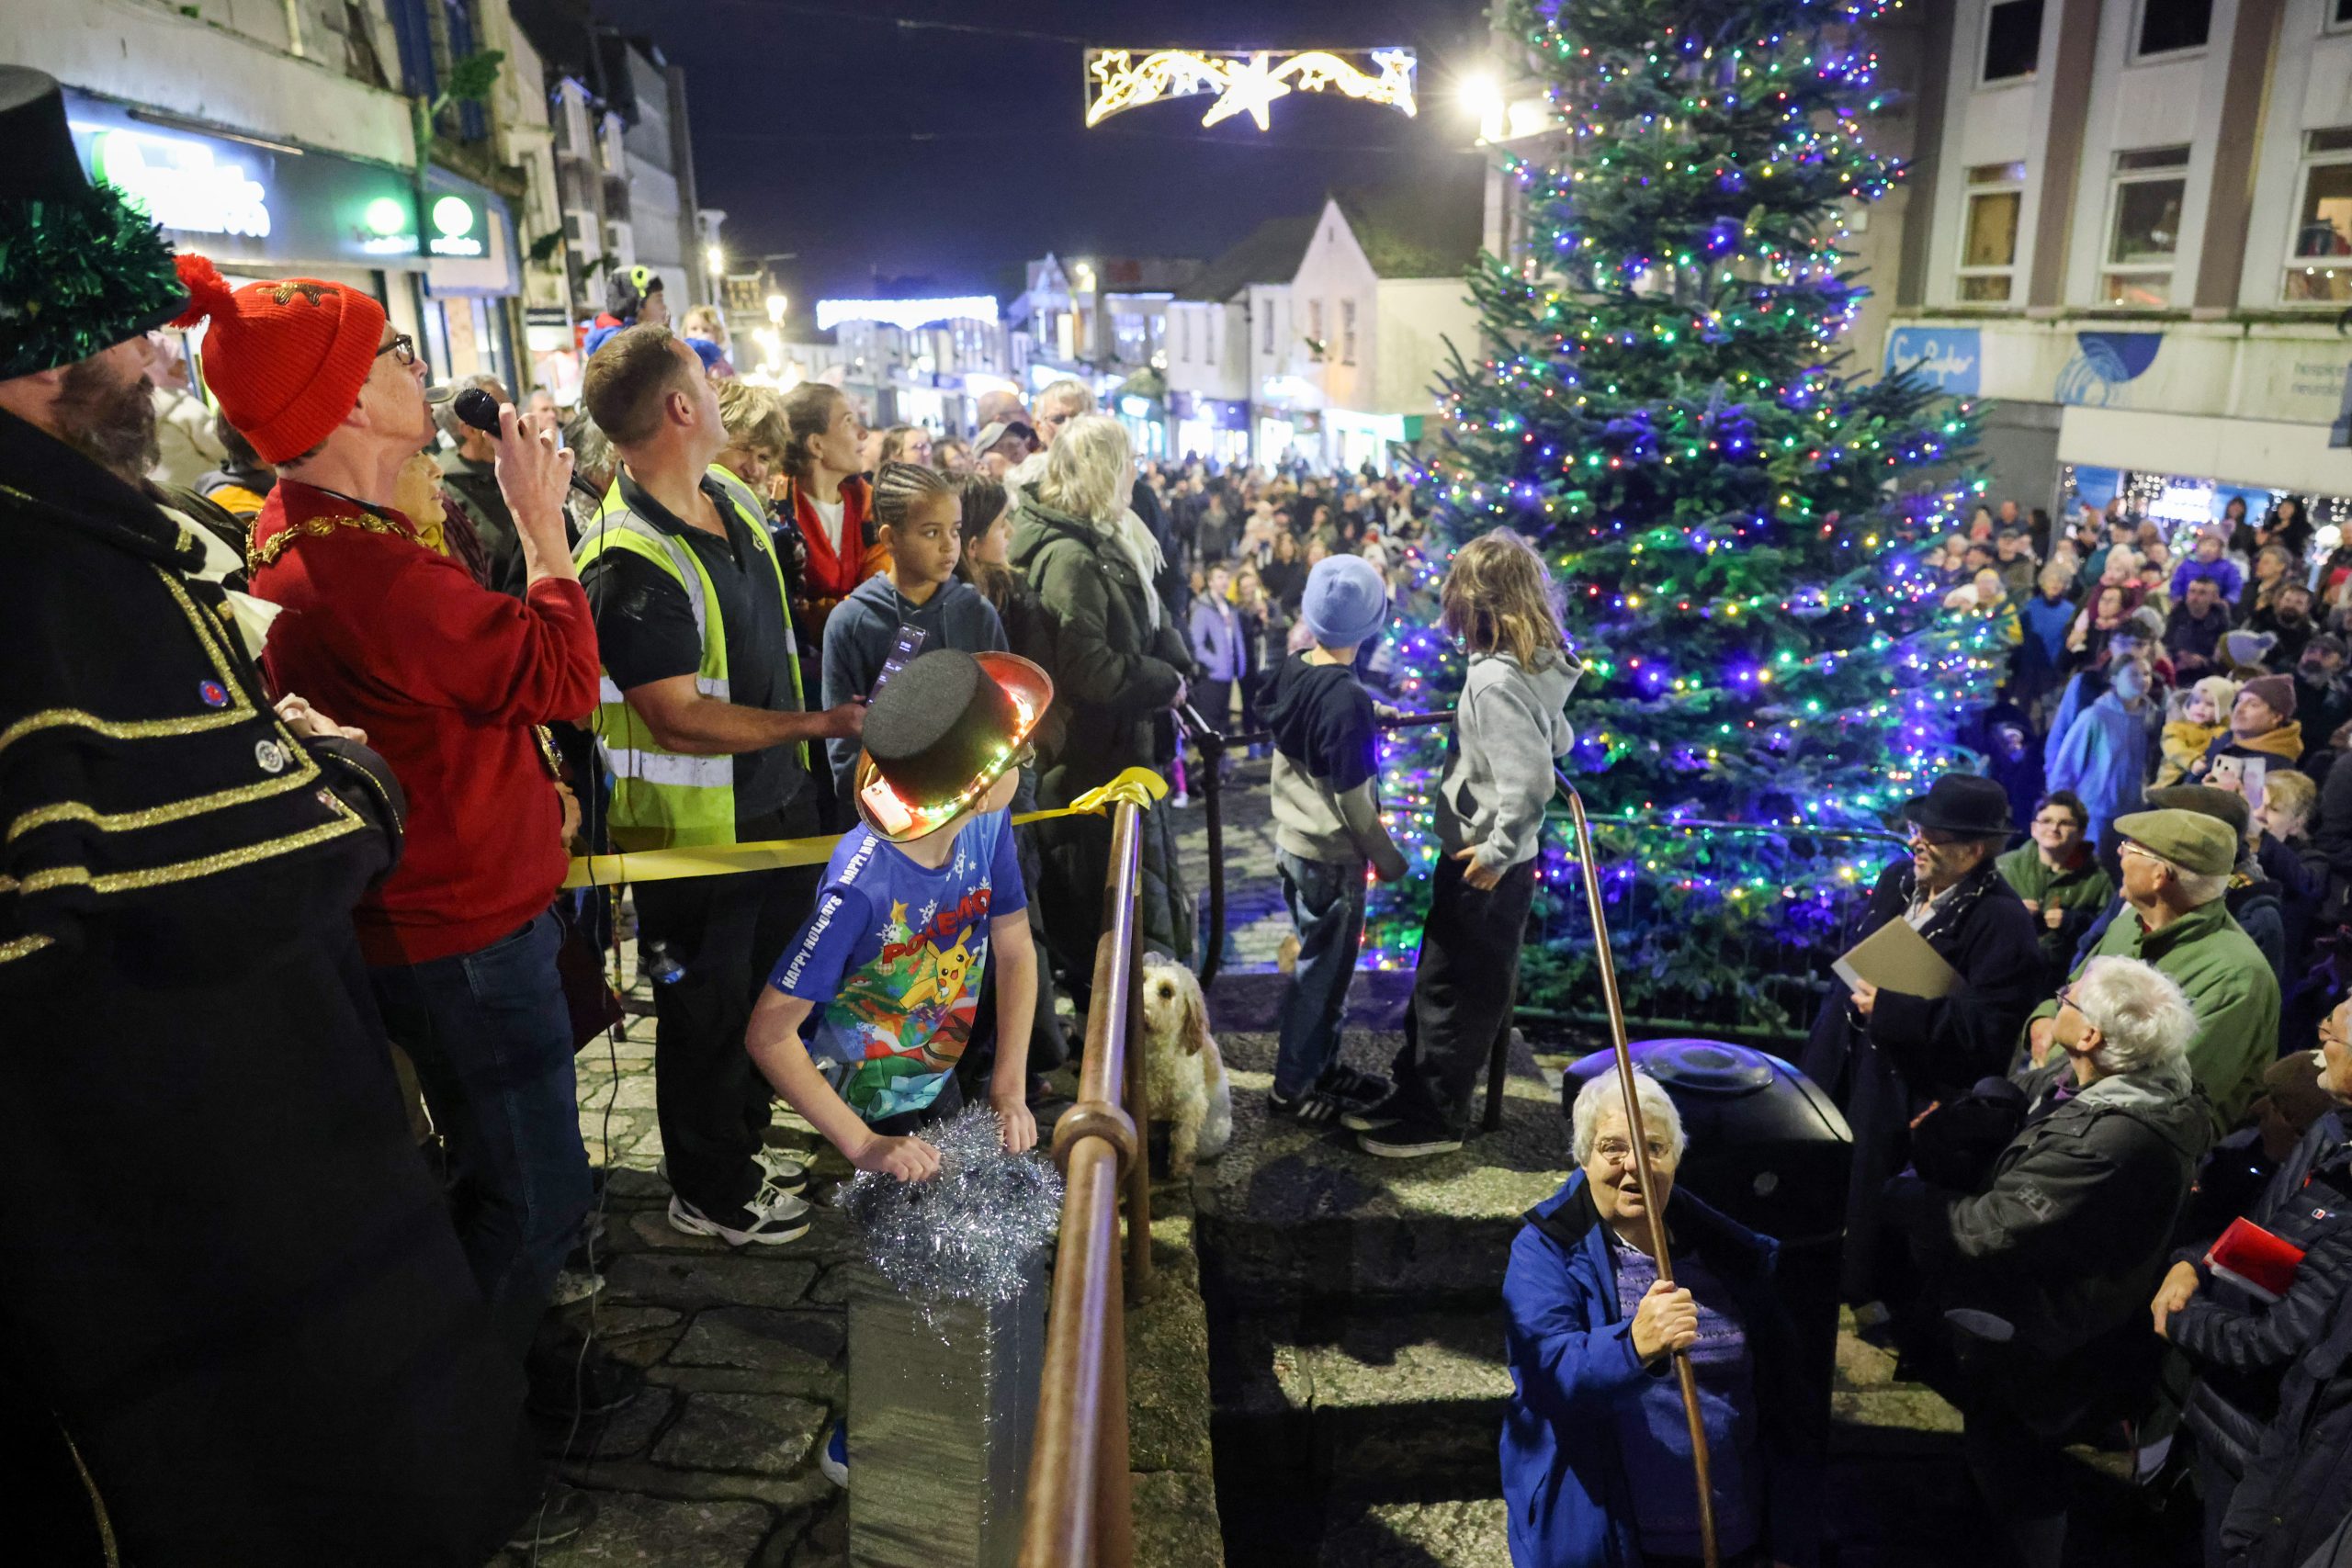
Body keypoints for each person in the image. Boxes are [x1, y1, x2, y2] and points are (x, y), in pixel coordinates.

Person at [0, 66, 551, 1557]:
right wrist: (342, 776)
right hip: (208, 1213)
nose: (153, 364)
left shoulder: (99, 535)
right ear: (30, 343)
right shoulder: (57, 569)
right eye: (119, 335)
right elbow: (233, 869)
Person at [174, 252, 629, 1417]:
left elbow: (458, 703)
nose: (417, 364)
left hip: (459, 905)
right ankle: (460, 1421)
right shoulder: (368, 571)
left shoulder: (331, 526)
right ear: (338, 405)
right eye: (389, 352)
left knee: (502, 1172)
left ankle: (506, 1378)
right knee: (533, 1192)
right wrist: (539, 523)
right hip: (462, 931)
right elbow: (566, 675)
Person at [575, 325, 864, 1247]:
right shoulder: (625, 558)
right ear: (677, 406)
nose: (719, 382)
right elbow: (676, 714)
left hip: (772, 808)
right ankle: (706, 1187)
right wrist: (817, 726)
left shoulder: (728, 495)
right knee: (703, 1016)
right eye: (705, 374)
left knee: (764, 1000)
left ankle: (739, 1145)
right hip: (691, 840)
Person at [747, 649, 1047, 1489]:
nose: (1025, 766)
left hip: (938, 1073)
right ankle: (867, 1432)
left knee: (945, 1250)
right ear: (971, 781)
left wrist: (1009, 1083)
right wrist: (863, 1145)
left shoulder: (986, 828)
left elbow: (1016, 946)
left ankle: (935, 1397)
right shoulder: (859, 882)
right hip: (871, 1103)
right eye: (1013, 760)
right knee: (896, 1271)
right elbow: (771, 1034)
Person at [1884, 956, 2209, 1568]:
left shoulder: (2117, 1136)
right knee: (1994, 1453)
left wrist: (1898, 1195)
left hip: (2047, 1337)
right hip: (2028, 1324)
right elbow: (2031, 1104)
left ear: (2091, 1035)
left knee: (2019, 1480)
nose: (2059, 998)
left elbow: (1991, 1225)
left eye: (2070, 996)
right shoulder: (2107, 1078)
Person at [1501, 1071, 1823, 1568]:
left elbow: (1788, 1408)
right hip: (1614, 1543)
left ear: (1676, 1158)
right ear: (1583, 1158)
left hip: (1735, 1540)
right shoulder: (1548, 1248)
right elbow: (1546, 1375)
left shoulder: (1727, 1254)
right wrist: (1633, 1347)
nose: (1634, 1166)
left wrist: (1789, 1543)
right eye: (1612, 1147)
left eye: (1655, 1148)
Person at [1353, 531, 1581, 1158]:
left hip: (1484, 863)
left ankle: (1436, 1117)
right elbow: (1555, 741)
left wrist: (1498, 848)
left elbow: (1532, 777)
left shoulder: (1493, 681)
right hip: (1493, 860)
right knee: (1447, 983)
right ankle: (1416, 1091)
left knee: (1455, 992)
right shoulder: (1534, 666)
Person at [1798, 773, 2045, 1303]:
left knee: (1866, 1200)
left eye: (1930, 837)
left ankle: (1854, 1290)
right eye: (1917, 829)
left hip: (1902, 1086)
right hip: (1841, 1062)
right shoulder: (1897, 881)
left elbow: (1990, 1027)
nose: (1915, 843)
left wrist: (1893, 1011)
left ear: (1973, 850)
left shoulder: (2001, 921)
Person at [2155, 996, 2352, 1568]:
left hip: (2269, 1446)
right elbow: (2263, 1236)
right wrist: (2195, 1262)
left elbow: (2281, 1338)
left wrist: (2180, 1317)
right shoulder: (2331, 1131)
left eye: (2331, 1038)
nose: (2316, 1055)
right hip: (2220, 1405)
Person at [1009, 413, 1195, 973]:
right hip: (1091, 765)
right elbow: (1090, 670)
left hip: (1113, 757)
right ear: (1104, 473)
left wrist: (1170, 659)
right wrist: (1164, 681)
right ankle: (1115, 1056)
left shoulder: (1099, 541)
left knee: (1126, 922)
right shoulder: (1073, 558)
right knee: (1108, 932)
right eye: (1129, 461)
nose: (1136, 473)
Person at [1256, 554, 1411, 1125]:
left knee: (1318, 965)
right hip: (1332, 858)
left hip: (1292, 845)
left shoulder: (1298, 667)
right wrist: (1388, 859)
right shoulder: (1345, 701)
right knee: (1323, 977)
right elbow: (1352, 801)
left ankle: (1321, 1066)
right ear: (1371, 626)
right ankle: (1292, 1088)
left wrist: (1368, 709)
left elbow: (1320, 706)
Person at [2024, 810, 2278, 1137]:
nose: (2119, 851)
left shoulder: (2237, 975)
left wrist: (2058, 1043)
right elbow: (2070, 989)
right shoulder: (2129, 923)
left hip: (2123, 1142)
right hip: (2064, 1103)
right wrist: (2043, 1019)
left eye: (2131, 846)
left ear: (2159, 876)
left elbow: (2161, 1089)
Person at [821, 461, 1007, 809]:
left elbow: (1007, 724)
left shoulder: (976, 612)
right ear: (890, 538)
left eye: (955, 530)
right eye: (931, 533)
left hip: (979, 816)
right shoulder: (852, 621)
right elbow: (845, 753)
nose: (949, 546)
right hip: (893, 823)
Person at [774, 381, 884, 654]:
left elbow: (880, 599)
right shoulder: (775, 507)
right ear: (816, 444)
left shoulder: (868, 503)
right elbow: (785, 612)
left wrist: (821, 613)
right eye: (848, 422)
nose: (863, 433)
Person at [2045, 644, 2156, 865]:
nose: (2142, 679)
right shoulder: (2095, 716)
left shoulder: (2152, 717)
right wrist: (2062, 807)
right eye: (2133, 673)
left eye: (2146, 673)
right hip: (2095, 812)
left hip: (2133, 812)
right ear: (2114, 678)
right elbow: (2067, 764)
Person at [1996, 790, 2114, 988]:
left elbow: (2108, 933)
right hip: (2005, 973)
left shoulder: (2097, 879)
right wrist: (2011, 912)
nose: (2054, 828)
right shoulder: (2004, 867)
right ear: (2034, 828)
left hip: (2061, 981)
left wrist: (2074, 921)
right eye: (2046, 821)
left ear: (2081, 832)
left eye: (2065, 823)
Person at [433, 371, 525, 594]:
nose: (516, 417)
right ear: (472, 430)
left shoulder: (520, 468)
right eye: (501, 411)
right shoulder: (442, 495)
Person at [1189, 558, 1247, 734]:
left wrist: (1239, 664)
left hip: (1228, 674)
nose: (1224, 582)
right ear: (1210, 581)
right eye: (1219, 577)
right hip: (1212, 676)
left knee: (1223, 719)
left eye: (1226, 577)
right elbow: (1196, 644)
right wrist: (1215, 662)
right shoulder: (1202, 608)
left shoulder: (1229, 607)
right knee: (1211, 721)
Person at [2156, 675, 2236, 788]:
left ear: (2222, 710)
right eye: (2196, 701)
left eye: (2210, 704)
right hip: (2173, 781)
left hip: (2202, 782)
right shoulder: (2176, 727)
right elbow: (2173, 747)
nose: (2201, 707)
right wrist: (2192, 761)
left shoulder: (2223, 732)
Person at [582, 264, 666, 357]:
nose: (664, 307)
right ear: (637, 305)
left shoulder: (621, 338)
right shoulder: (620, 347)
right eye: (659, 300)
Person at [2169, 575, 2235, 677]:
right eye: (2192, 591)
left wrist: (2204, 661)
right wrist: (2177, 656)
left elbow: (2224, 656)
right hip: (2176, 670)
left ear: (2214, 598)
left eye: (2202, 593)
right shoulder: (2177, 614)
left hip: (2209, 674)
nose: (2195, 597)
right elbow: (2166, 642)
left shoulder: (2221, 620)